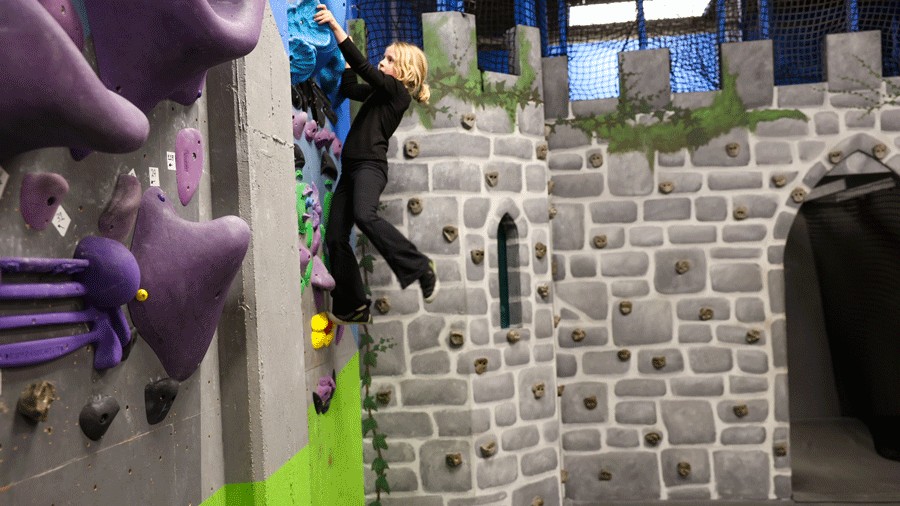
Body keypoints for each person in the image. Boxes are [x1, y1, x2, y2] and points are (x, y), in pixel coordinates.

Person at [314, 4, 437, 325]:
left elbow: (366, 70)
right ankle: (353, 305)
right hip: (352, 170)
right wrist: (342, 62)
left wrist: (339, 33)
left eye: (390, 60)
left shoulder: (397, 93)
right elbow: (352, 87)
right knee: (336, 236)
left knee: (364, 216)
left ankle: (419, 266)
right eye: (383, 57)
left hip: (370, 167)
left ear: (405, 71)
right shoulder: (382, 93)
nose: (382, 62)